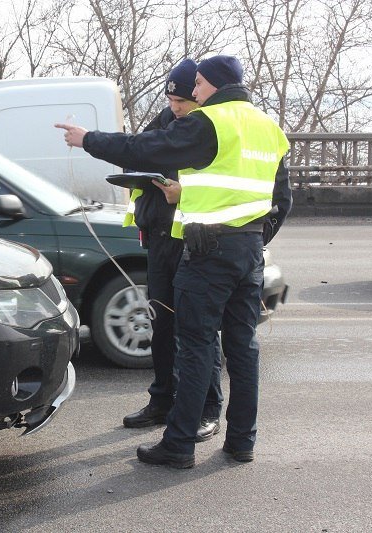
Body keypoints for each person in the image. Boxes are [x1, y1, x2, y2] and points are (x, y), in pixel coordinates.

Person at [56, 54, 291, 467]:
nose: (193, 92)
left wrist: (88, 139)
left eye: (198, 84)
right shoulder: (269, 128)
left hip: (207, 251)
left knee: (195, 346)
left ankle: (179, 443)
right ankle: (242, 441)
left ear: (215, 85)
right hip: (248, 250)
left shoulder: (210, 122)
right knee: (242, 348)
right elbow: (279, 199)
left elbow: (146, 147)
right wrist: (252, 237)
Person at [120, 59, 223, 445]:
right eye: (171, 99)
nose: (176, 106)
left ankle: (208, 410)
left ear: (198, 95)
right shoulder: (164, 120)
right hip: (159, 236)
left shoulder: (209, 127)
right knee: (161, 324)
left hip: (193, 240)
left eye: (182, 100)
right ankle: (162, 399)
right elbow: (136, 154)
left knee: (198, 329)